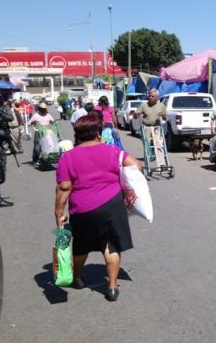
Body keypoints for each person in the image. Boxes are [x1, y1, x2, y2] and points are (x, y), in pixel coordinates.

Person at [54, 115, 143, 302]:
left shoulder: (67, 157)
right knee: (111, 246)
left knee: (81, 246)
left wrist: (59, 212)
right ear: (98, 133)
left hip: (83, 209)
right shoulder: (113, 151)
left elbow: (64, 187)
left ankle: (78, 279)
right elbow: (136, 166)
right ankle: (112, 287)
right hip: (112, 205)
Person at [136, 90, 168, 164]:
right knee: (147, 144)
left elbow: (165, 118)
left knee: (158, 144)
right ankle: (148, 158)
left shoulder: (161, 106)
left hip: (157, 127)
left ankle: (161, 163)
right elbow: (137, 115)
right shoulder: (144, 105)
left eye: (152, 96)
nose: (150, 97)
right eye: (149, 96)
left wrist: (163, 116)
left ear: (157, 98)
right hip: (146, 127)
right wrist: (135, 115)